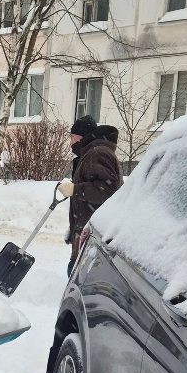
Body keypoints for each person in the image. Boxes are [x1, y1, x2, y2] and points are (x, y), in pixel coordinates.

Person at [59, 115, 122, 271]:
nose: (70, 142)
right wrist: (74, 228)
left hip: (92, 238)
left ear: (80, 136)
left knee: (79, 282)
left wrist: (75, 189)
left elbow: (107, 190)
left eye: (71, 137)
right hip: (86, 233)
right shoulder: (91, 153)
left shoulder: (97, 153)